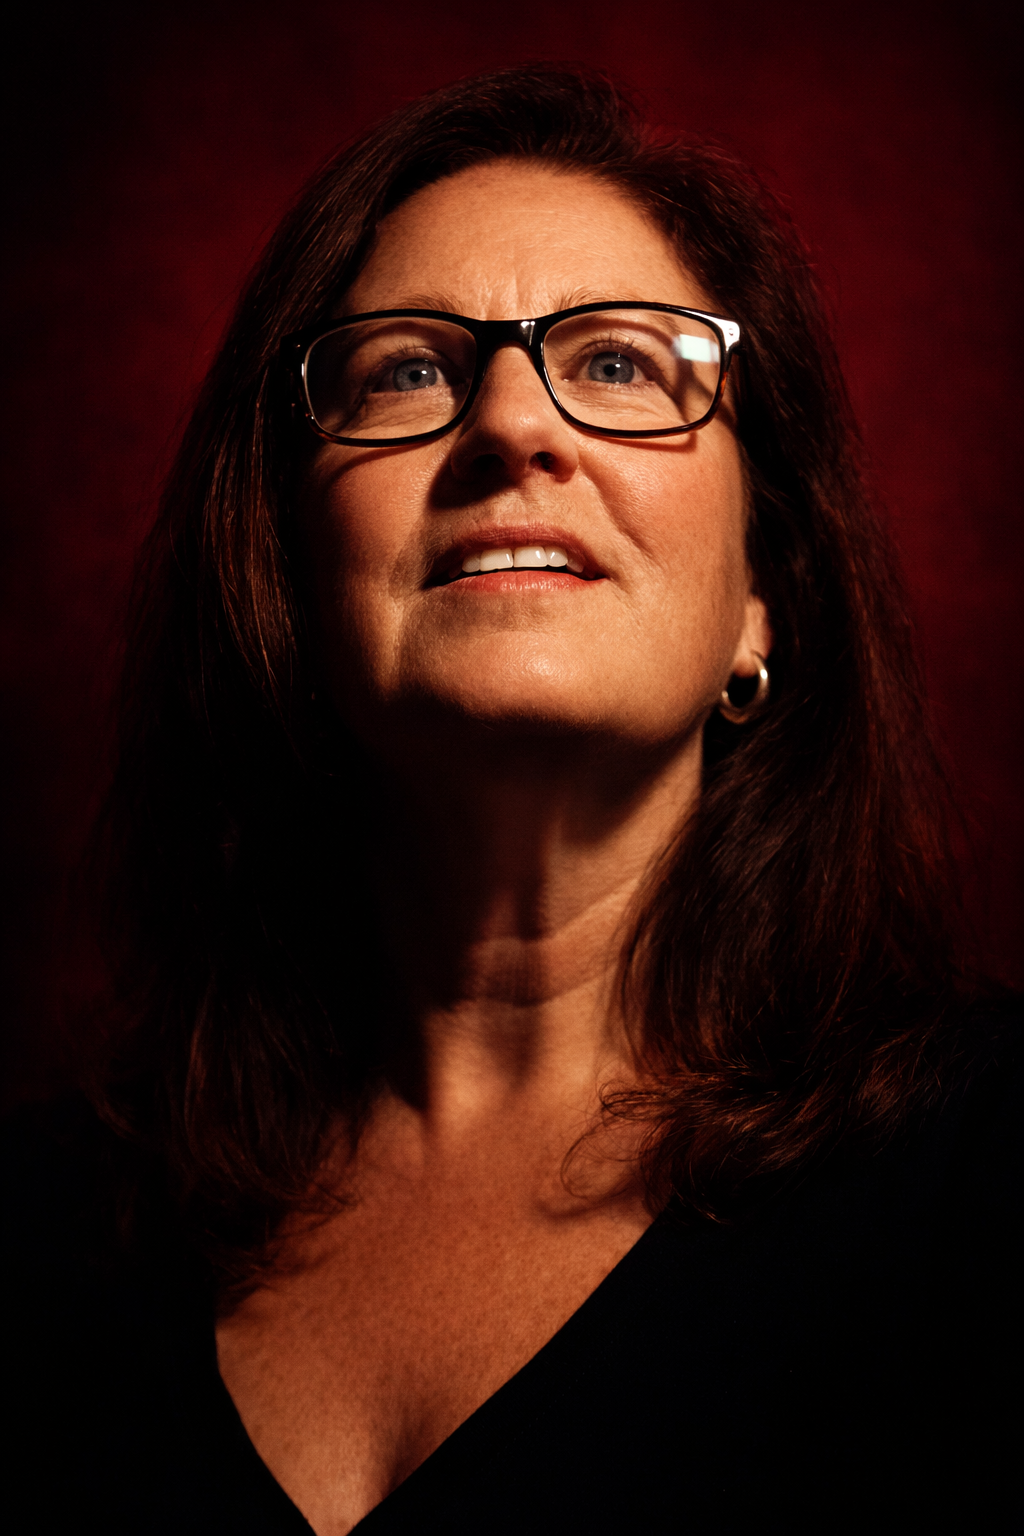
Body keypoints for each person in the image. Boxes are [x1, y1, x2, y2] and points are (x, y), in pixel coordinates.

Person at [6, 65, 1018, 1535]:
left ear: (764, 600)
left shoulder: (988, 1172)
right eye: (408, 371)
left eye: (620, 364)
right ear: (284, 568)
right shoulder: (47, 1236)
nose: (511, 426)